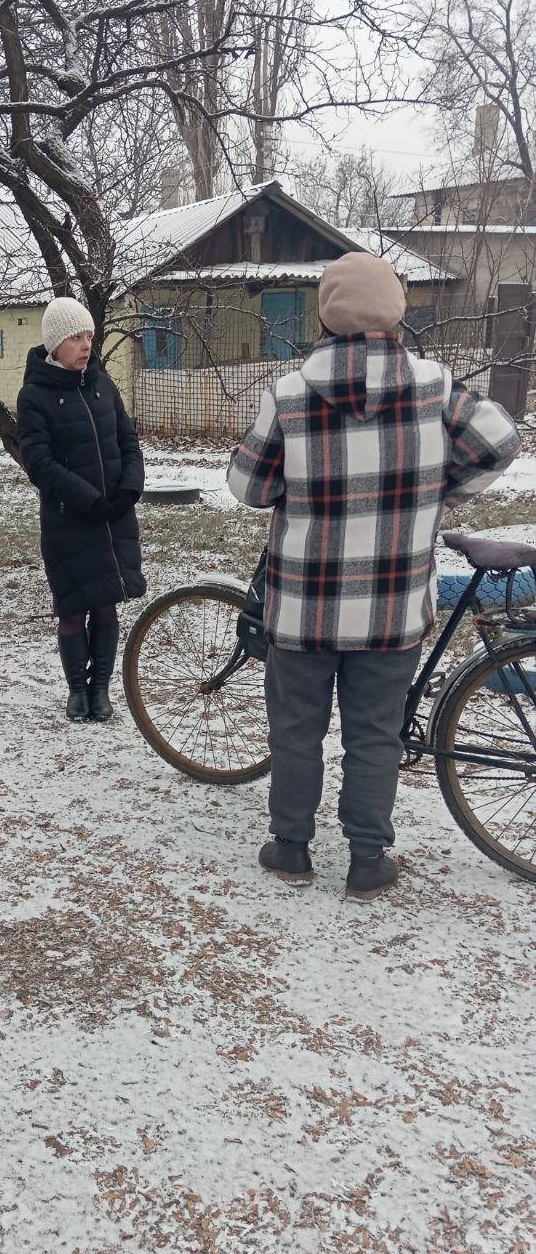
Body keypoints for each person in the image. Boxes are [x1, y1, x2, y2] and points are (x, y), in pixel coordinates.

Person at [228, 252, 521, 900]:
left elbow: (248, 485)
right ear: (395, 311)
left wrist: (292, 484)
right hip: (391, 612)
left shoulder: (291, 393)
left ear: (327, 317)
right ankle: (367, 860)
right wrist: (439, 489)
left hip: (303, 610)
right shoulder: (436, 388)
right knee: (374, 735)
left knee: (297, 730)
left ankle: (291, 847)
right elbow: (500, 439)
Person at [16, 296, 146, 723]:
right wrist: (87, 499)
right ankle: (77, 690)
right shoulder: (34, 396)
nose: (86, 344)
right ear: (55, 345)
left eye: (88, 335)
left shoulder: (103, 385)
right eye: (75, 337)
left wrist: (129, 489)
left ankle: (101, 689)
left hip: (113, 517)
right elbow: (39, 463)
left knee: (106, 602)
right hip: (69, 522)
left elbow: (128, 441)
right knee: (73, 606)